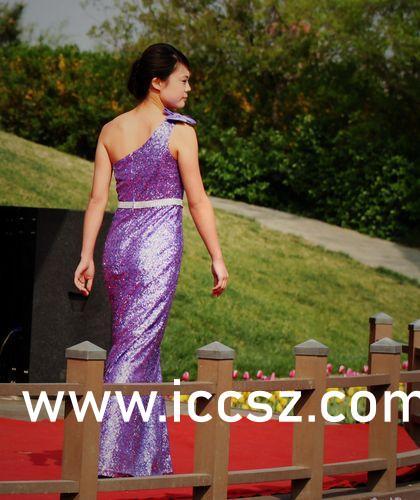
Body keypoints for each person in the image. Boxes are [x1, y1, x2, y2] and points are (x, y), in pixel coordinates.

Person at [73, 43, 229, 477]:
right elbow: (197, 200)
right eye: (184, 80)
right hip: (157, 246)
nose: (189, 88)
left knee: (138, 344)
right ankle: (103, 456)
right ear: (157, 82)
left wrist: (86, 255)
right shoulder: (181, 131)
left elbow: (97, 200)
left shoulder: (111, 129)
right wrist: (217, 256)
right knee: (134, 347)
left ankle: (145, 457)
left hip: (118, 245)